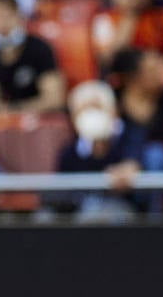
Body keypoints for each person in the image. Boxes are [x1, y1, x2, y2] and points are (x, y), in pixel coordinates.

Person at [55, 80, 154, 220]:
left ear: (113, 111)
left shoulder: (131, 135)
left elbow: (136, 163)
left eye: (97, 108)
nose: (91, 116)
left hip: (126, 210)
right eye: (84, 110)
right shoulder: (69, 152)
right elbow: (63, 195)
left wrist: (129, 167)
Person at [0, 0, 64, 117]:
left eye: (7, 16)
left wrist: (14, 110)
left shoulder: (39, 47)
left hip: (41, 118)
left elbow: (54, 99)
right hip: (4, 123)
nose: (3, 25)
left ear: (20, 18)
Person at [107, 48, 163, 171]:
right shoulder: (112, 99)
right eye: (151, 70)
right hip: (118, 168)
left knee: (155, 155)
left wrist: (136, 161)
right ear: (133, 76)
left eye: (159, 68)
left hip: (158, 167)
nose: (159, 74)